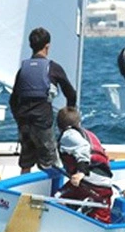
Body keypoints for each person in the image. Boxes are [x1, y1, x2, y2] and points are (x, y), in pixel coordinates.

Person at [9, 27, 77, 174]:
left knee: (26, 162)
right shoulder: (53, 68)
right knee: (50, 163)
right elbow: (71, 94)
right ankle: (53, 192)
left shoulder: (23, 70)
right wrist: (69, 119)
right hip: (42, 123)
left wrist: (19, 119)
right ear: (47, 46)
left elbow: (13, 100)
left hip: (24, 123)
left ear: (31, 46)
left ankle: (21, 190)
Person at [56, 106, 113, 223]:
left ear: (58, 125)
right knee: (102, 218)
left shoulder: (68, 134)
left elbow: (83, 148)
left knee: (58, 199)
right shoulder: (87, 134)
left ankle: (81, 209)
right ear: (79, 122)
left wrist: (81, 172)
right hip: (105, 185)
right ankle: (87, 209)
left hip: (89, 182)